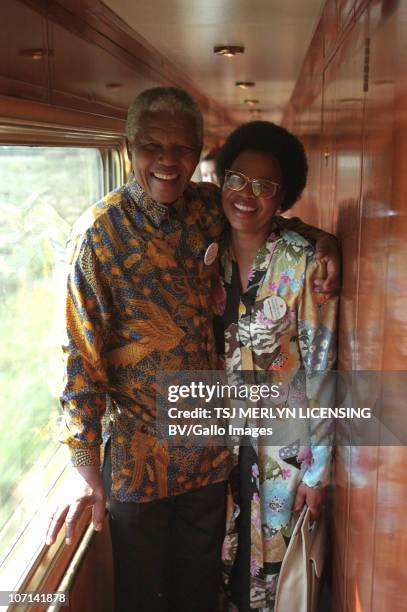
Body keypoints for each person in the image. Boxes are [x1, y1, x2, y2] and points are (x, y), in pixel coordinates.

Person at [44, 87, 339, 612]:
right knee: (145, 599)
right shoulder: (98, 235)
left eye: (182, 149)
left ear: (198, 152)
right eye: (153, 145)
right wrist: (85, 467)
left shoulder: (206, 207)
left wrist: (324, 243)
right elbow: (78, 358)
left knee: (202, 594)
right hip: (139, 465)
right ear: (130, 146)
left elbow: (268, 220)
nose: (167, 161)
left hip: (207, 460)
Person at [213, 121, 338, 611]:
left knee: (273, 577)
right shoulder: (204, 251)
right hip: (216, 442)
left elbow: (323, 368)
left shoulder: (304, 261)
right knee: (222, 566)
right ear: (223, 181)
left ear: (283, 198)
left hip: (284, 452)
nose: (248, 195)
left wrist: (317, 474)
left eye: (265, 187)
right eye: (239, 180)